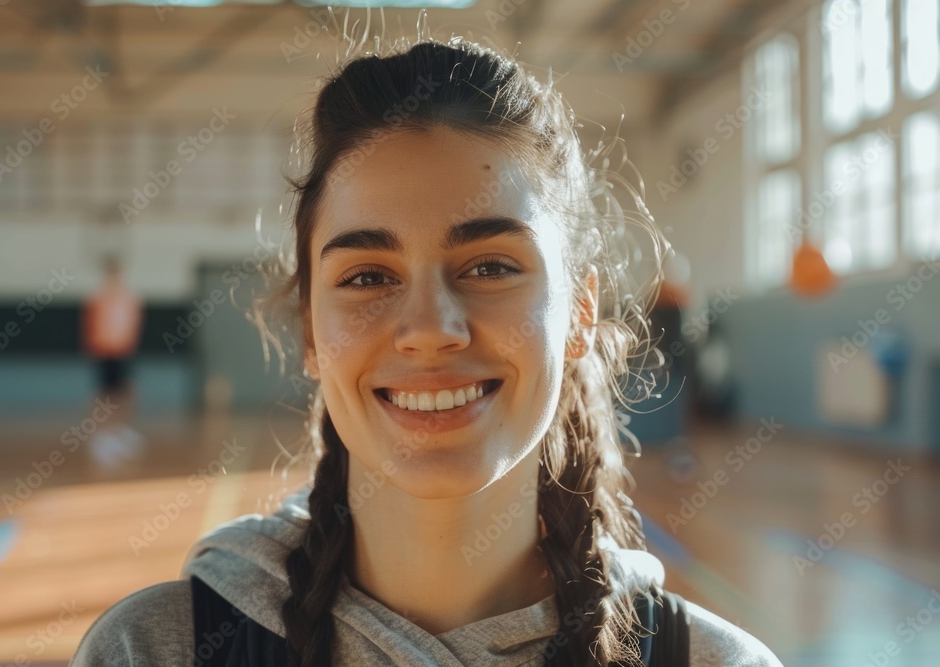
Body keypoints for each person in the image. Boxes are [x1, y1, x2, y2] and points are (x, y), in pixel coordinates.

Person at [71, 36, 783, 666]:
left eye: (490, 266)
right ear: (313, 334)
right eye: (368, 277)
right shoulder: (153, 649)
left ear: (580, 313)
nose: (430, 328)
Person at [81, 254, 145, 467]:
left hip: (124, 352)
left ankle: (121, 431)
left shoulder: (129, 298)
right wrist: (94, 349)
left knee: (126, 392)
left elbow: (133, 326)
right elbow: (90, 326)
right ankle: (102, 436)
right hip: (104, 351)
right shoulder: (98, 299)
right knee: (104, 395)